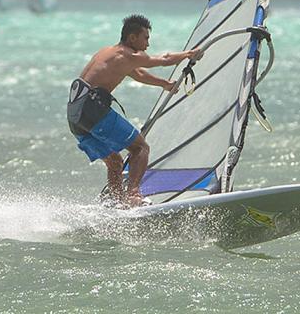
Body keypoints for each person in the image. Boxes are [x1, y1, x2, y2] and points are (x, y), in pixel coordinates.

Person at [67, 14, 201, 207]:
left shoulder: (109, 53)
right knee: (140, 148)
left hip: (74, 116)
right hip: (92, 109)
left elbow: (137, 73)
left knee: (115, 162)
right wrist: (189, 54)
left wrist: (164, 84)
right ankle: (134, 196)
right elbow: (164, 59)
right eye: (145, 38)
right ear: (132, 38)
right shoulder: (127, 54)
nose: (148, 43)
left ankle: (116, 202)